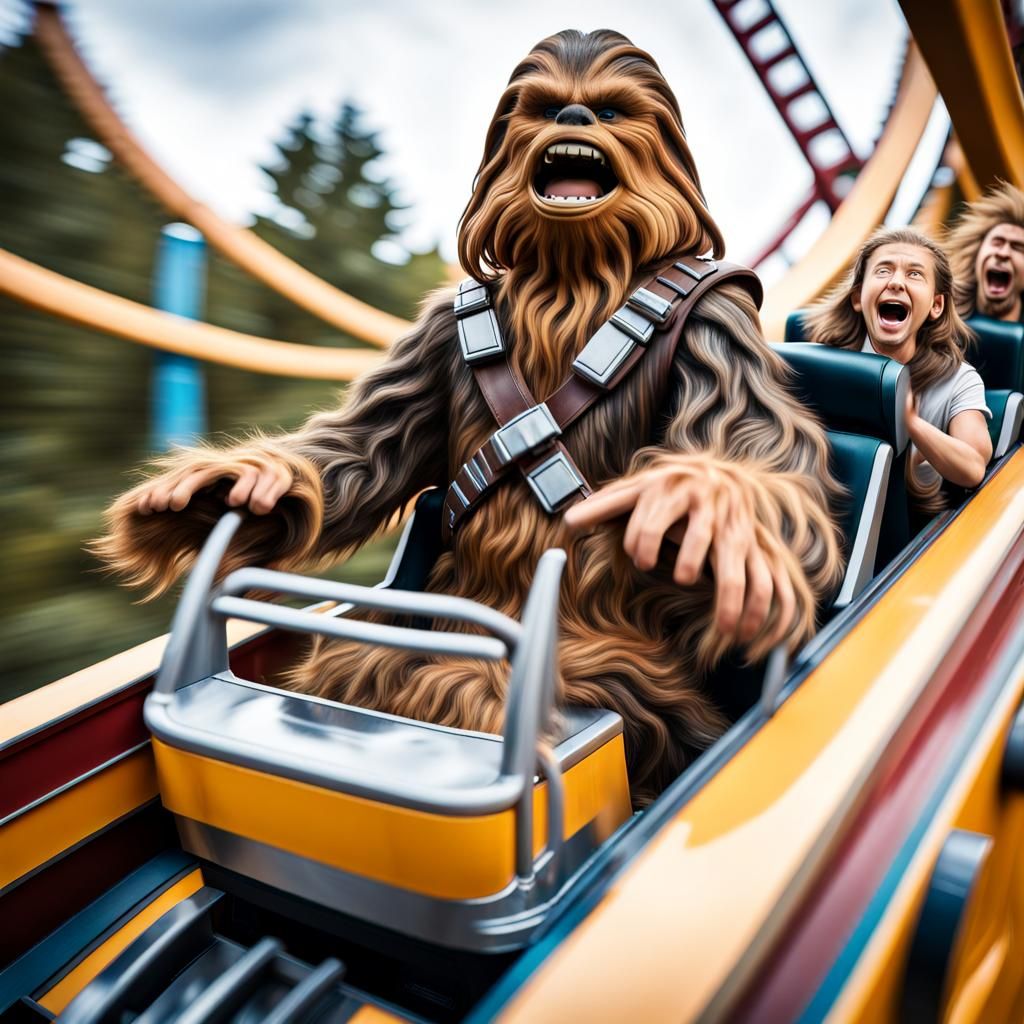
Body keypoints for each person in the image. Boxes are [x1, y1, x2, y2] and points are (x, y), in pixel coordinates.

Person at [94, 30, 843, 802]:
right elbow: (361, 453)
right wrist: (274, 480)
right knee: (324, 701)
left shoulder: (704, 314)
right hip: (443, 631)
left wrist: (728, 493)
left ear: (665, 161)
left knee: (457, 723)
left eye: (612, 114)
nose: (576, 126)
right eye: (546, 110)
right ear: (503, 158)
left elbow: (768, 457)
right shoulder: (460, 324)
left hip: (611, 670)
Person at [805, 227, 991, 516]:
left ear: (936, 305)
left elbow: (973, 467)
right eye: (883, 271)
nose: (896, 283)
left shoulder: (959, 380)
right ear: (858, 297)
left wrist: (909, 421)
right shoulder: (822, 366)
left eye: (914, 274)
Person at [945, 180, 1024, 323]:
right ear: (976, 255)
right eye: (997, 242)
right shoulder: (940, 322)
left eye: (1017, 247)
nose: (1003, 253)